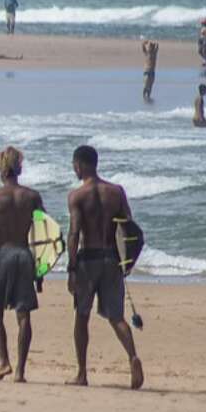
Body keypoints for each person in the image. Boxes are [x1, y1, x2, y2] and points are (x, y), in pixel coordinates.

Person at [65, 145, 143, 390]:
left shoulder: (77, 196)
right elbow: (129, 228)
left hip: (88, 260)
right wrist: (127, 261)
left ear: (80, 165)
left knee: (81, 316)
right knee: (117, 317)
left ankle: (81, 373)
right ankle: (132, 357)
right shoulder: (116, 192)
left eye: (74, 165)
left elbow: (75, 233)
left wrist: (71, 267)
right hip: (111, 259)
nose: (74, 169)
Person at [0, 146, 44, 383]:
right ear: (19, 168)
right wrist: (42, 269)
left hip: (3, 255)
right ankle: (20, 372)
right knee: (23, 313)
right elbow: (44, 232)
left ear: (1, 169)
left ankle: (4, 362)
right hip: (25, 255)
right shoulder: (32, 196)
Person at [141, 38, 159, 102]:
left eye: (151, 46)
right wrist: (144, 43)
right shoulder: (147, 53)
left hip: (152, 72)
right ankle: (143, 96)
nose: (150, 48)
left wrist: (155, 43)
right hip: (147, 71)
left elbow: (157, 46)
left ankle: (148, 97)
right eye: (150, 46)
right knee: (146, 85)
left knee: (150, 86)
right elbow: (143, 47)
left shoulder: (154, 53)